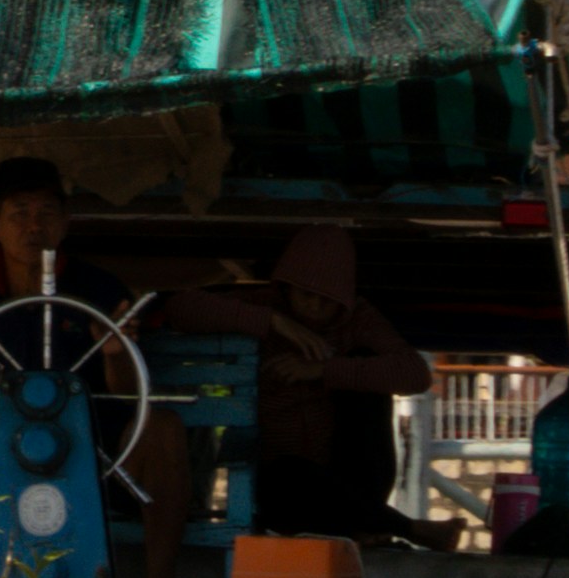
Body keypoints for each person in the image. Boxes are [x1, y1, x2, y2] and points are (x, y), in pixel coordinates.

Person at [0, 158, 199, 578]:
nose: (34, 226)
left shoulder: (103, 293)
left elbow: (132, 395)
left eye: (47, 213)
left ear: (66, 223)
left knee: (162, 428)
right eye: (19, 214)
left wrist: (114, 354)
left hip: (103, 463)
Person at [159, 225, 439, 544]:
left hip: (349, 476)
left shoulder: (357, 319)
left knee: (366, 370)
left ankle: (375, 524)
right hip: (283, 485)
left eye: (327, 299)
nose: (315, 307)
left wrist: (323, 370)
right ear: (287, 287)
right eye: (306, 294)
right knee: (289, 476)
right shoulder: (264, 305)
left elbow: (415, 374)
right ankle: (404, 528)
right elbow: (179, 308)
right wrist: (272, 322)